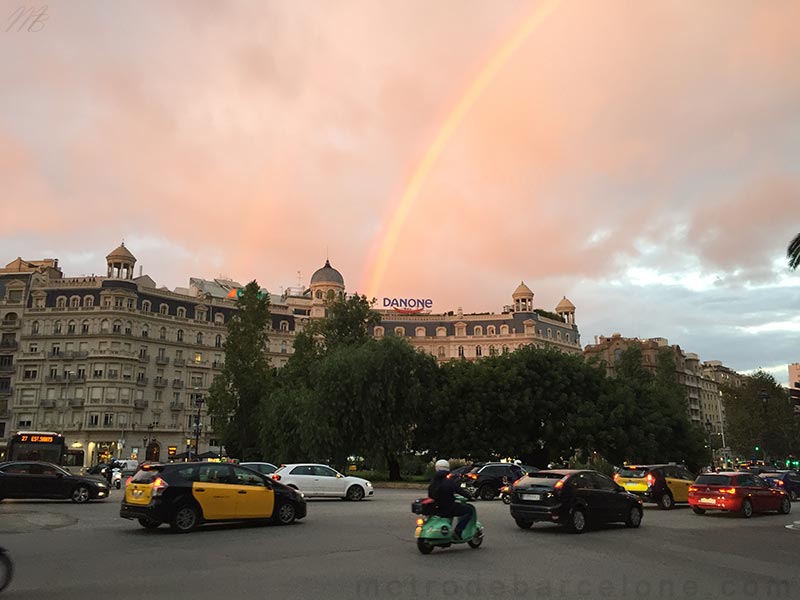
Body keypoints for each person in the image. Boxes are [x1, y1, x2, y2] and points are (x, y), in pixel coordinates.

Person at [428, 459, 474, 540]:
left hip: (436, 508)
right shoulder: (448, 481)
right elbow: (459, 490)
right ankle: (458, 531)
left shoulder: (433, 481)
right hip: (448, 508)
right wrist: (470, 496)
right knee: (469, 511)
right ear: (447, 468)